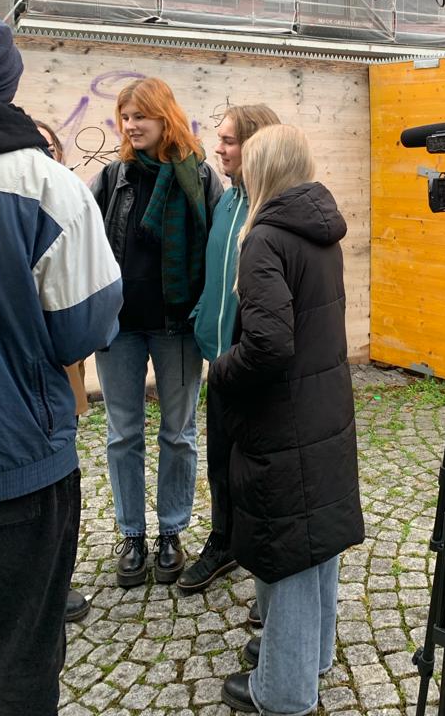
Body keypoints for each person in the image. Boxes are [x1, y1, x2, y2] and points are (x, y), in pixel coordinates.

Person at [0, 12, 123, 716]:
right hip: (15, 468)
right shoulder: (44, 187)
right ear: (9, 81)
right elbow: (83, 328)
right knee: (22, 657)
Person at [209, 124, 365, 715]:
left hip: (285, 416)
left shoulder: (267, 239)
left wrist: (223, 371)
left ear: (262, 167)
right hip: (322, 406)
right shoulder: (320, 231)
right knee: (315, 537)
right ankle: (308, 655)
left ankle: (284, 690)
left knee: (290, 547)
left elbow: (269, 344)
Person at [91, 77, 222, 587]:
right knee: (123, 434)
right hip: (120, 326)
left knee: (178, 433)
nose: (131, 125)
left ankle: (171, 532)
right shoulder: (112, 177)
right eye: (125, 117)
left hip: (178, 325)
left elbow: (217, 247)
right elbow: (90, 246)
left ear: (164, 116)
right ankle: (131, 535)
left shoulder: (201, 177)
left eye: (139, 116)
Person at [178, 104, 281, 596]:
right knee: (220, 461)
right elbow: (213, 271)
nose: (218, 148)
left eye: (229, 140)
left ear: (257, 144)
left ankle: (271, 569)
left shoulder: (274, 206)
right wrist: (202, 314)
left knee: (258, 472)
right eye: (219, 138)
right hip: (219, 364)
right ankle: (224, 543)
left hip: (255, 368)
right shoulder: (225, 201)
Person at [33, 119, 93, 624]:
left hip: (57, 363)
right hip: (27, 359)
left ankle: (56, 577)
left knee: (60, 459)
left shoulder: (66, 200)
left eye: (49, 145)